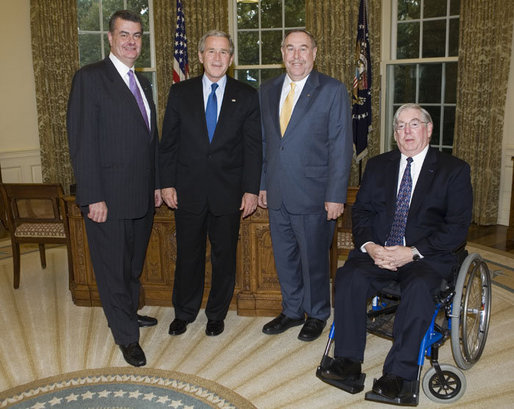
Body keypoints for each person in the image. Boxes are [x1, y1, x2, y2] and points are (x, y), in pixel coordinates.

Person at [317, 103, 473, 402]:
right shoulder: (378, 166)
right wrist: (371, 247)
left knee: (418, 288)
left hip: (425, 256)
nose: (406, 131)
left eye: (414, 124)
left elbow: (456, 229)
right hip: (380, 250)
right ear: (394, 134)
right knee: (348, 277)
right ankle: (347, 360)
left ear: (428, 130)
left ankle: (399, 374)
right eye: (400, 126)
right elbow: (361, 212)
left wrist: (411, 252)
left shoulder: (453, 171)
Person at [67, 10, 161, 367]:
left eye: (136, 35)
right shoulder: (90, 78)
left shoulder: (143, 82)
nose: (131, 42)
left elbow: (150, 139)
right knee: (112, 270)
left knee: (132, 265)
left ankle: (129, 312)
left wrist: (155, 184)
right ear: (110, 38)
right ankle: (126, 336)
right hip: (107, 198)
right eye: (124, 35)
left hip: (141, 196)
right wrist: (92, 196)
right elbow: (82, 141)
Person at [159, 30, 262, 337]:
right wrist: (166, 184)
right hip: (187, 190)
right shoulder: (180, 93)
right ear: (201, 56)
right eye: (212, 52)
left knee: (224, 256)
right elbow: (169, 144)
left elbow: (253, 147)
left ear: (230, 59)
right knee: (188, 256)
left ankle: (216, 313)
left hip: (228, 193)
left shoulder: (246, 95)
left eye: (224, 52)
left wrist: (251, 189)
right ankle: (185, 312)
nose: (217, 58)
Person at [258, 29, 353, 342]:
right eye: (290, 48)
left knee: (314, 258)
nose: (296, 55)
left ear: (314, 53)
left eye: (303, 48)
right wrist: (262, 184)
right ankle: (292, 310)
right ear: (282, 52)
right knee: (284, 256)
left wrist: (336, 195)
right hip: (277, 192)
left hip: (315, 194)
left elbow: (340, 146)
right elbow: (265, 143)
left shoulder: (332, 90)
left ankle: (318, 313)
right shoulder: (268, 89)